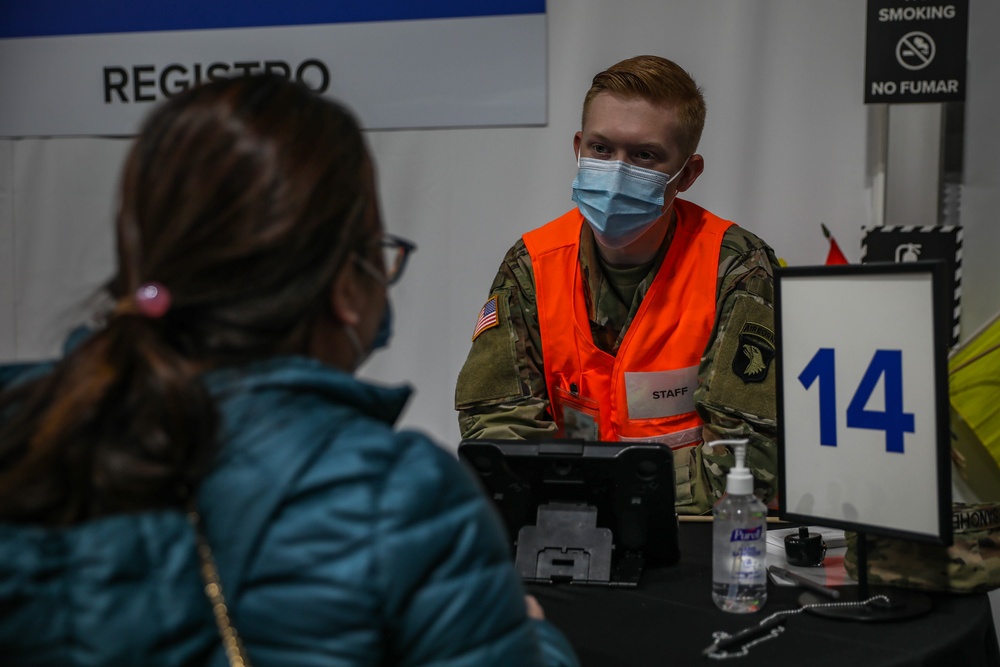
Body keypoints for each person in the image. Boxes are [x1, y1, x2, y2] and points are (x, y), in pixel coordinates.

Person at [0, 75, 578, 667]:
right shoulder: (398, 498)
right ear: (347, 286)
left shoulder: (20, 425)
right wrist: (534, 637)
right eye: (379, 248)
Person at [455, 55, 779, 515]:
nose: (617, 170)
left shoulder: (738, 269)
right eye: (601, 149)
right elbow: (497, 436)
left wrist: (592, 488)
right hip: (564, 534)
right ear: (578, 148)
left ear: (687, 174)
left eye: (644, 155)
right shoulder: (532, 265)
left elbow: (749, 465)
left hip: (693, 541)